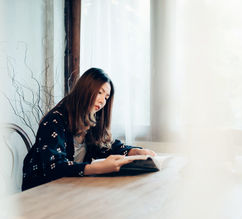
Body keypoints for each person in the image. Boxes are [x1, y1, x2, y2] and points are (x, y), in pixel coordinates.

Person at [22, 67, 155, 190]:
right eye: (99, 93)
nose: (102, 101)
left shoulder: (91, 118)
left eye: (106, 97)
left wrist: (132, 151)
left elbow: (105, 146)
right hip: (43, 191)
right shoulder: (54, 121)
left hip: (72, 187)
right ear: (85, 90)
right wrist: (95, 168)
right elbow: (54, 168)